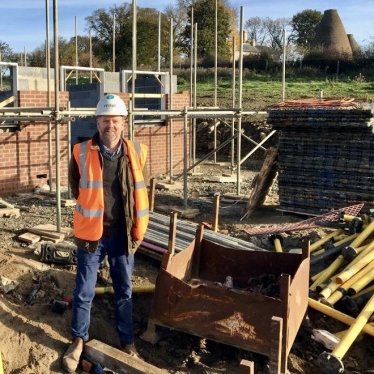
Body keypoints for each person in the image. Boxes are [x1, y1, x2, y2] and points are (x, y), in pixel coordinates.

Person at [62, 94, 149, 373]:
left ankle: (127, 343)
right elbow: (77, 188)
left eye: (115, 120)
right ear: (97, 122)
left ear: (124, 122)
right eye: (104, 120)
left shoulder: (138, 151)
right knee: (84, 290)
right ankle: (78, 339)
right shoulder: (81, 151)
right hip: (92, 236)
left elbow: (140, 192)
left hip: (123, 235)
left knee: (124, 291)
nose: (110, 125)